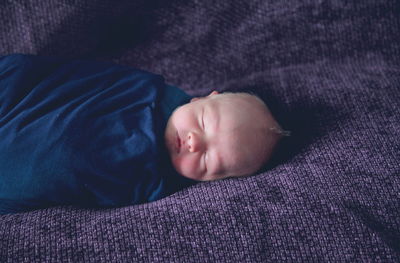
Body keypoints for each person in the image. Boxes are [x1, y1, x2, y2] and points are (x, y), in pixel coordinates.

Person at [0, 54, 286, 214]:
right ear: (201, 99)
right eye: (203, 121)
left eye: (210, 161)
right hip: (26, 95)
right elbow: (80, 74)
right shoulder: (143, 88)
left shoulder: (152, 185)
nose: (195, 142)